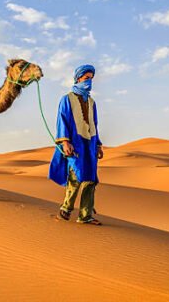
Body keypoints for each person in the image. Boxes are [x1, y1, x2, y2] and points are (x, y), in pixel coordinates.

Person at [48, 64, 103, 225]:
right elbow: (62, 120)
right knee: (76, 176)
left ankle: (85, 215)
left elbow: (95, 124)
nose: (89, 82)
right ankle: (65, 210)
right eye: (87, 78)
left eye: (91, 79)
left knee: (90, 180)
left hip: (90, 143)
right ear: (78, 78)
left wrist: (98, 145)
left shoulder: (92, 102)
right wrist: (65, 141)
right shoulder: (67, 99)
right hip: (75, 142)